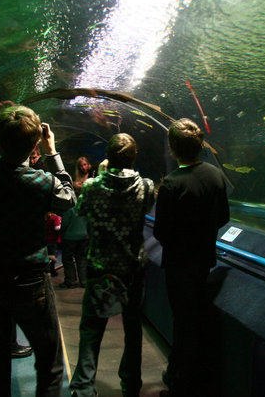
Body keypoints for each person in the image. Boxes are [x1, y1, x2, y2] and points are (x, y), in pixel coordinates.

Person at [0, 105, 76, 396]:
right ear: (35, 144)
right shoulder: (42, 182)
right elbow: (69, 198)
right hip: (30, 281)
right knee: (49, 363)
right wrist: (52, 153)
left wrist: (6, 139)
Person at [69, 133, 155, 397]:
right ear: (134, 157)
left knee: (92, 328)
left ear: (109, 157)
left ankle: (83, 387)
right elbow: (146, 207)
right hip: (132, 268)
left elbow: (80, 211)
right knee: (132, 328)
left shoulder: (93, 186)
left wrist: (100, 176)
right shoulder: (147, 186)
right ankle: (131, 385)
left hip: (100, 266)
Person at [153, 118, 230, 397]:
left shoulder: (172, 184)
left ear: (172, 148)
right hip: (204, 261)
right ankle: (184, 374)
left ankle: (181, 384)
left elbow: (161, 231)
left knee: (183, 323)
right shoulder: (215, 175)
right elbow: (223, 217)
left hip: (178, 266)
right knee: (196, 320)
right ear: (201, 146)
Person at [58, 206, 89, 288]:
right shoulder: (86, 211)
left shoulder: (71, 211)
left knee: (67, 259)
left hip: (70, 238)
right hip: (84, 238)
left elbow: (64, 224)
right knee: (81, 259)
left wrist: (62, 233)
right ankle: (84, 281)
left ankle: (71, 281)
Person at [45, 212, 62, 277]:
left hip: (47, 239)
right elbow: (57, 228)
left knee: (48, 255)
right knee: (53, 256)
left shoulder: (46, 217)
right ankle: (52, 272)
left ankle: (47, 271)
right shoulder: (55, 217)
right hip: (53, 240)